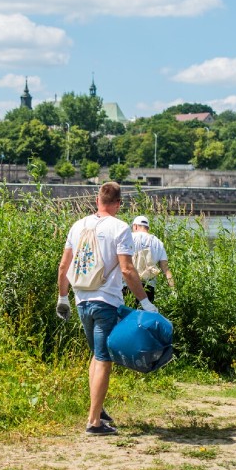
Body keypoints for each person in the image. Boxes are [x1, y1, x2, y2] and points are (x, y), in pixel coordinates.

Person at [56, 182, 157, 436]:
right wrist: (145, 303)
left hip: (81, 300)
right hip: (106, 302)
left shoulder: (77, 225)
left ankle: (97, 410)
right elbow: (127, 269)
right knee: (104, 359)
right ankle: (94, 422)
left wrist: (63, 298)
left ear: (97, 200)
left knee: (96, 354)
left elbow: (63, 266)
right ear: (118, 203)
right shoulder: (121, 228)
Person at [129, 215, 174, 303]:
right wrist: (173, 290)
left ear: (135, 226)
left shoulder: (128, 237)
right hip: (148, 287)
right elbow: (166, 269)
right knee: (145, 315)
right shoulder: (158, 243)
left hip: (128, 284)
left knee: (127, 315)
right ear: (147, 228)